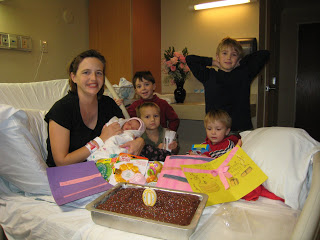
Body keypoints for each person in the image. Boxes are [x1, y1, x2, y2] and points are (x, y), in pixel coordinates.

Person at [45, 49, 144, 167]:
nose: (93, 78)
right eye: (86, 72)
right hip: (68, 174)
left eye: (98, 73)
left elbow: (126, 132)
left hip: (105, 169)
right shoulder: (62, 110)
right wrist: (101, 139)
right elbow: (61, 162)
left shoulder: (108, 105)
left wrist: (140, 141)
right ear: (73, 77)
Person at [186, 37, 270, 133]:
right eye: (224, 53)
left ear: (238, 59)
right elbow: (190, 59)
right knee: (218, 149)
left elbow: (264, 54)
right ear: (218, 57)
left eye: (234, 55)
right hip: (216, 132)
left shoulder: (244, 74)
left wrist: (241, 62)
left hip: (241, 131)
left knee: (240, 149)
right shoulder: (209, 76)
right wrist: (212, 62)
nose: (229, 57)